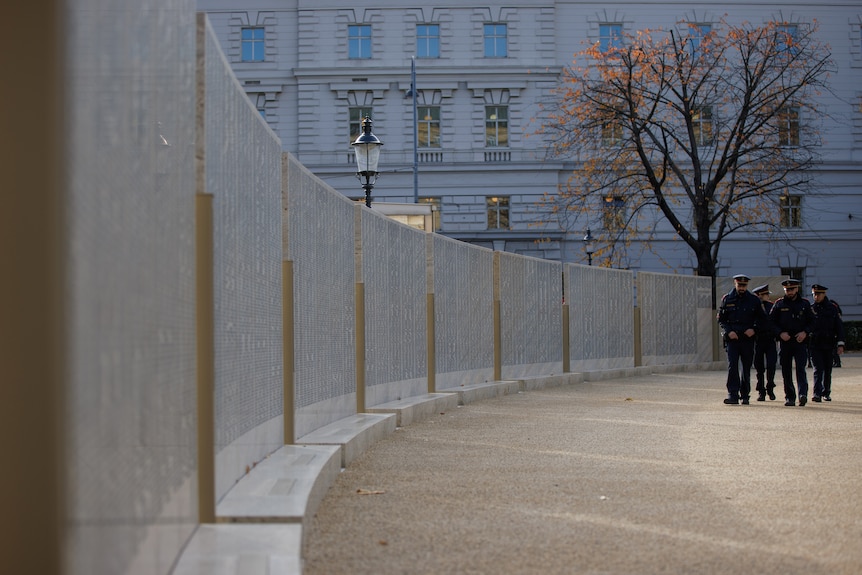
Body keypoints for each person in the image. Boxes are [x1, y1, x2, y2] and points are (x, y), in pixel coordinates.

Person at [717, 274, 766, 405]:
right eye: (740, 285)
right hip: (733, 339)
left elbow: (762, 319)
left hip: (747, 339)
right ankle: (733, 394)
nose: (742, 288)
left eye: (744, 285)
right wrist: (729, 331)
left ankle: (745, 394)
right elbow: (721, 319)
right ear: (735, 284)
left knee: (746, 367)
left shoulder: (753, 300)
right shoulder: (727, 299)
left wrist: (754, 329)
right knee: (732, 366)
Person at [769, 278, 814, 406]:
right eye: (787, 289)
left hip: (800, 342)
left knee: (801, 368)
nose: (789, 292)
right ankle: (790, 397)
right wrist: (780, 333)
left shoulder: (804, 304)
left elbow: (812, 321)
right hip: (786, 341)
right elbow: (771, 322)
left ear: (797, 289)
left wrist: (805, 332)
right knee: (786, 371)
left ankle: (802, 394)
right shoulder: (779, 304)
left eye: (792, 289)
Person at [809, 284, 845, 402]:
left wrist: (840, 344)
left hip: (829, 343)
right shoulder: (811, 308)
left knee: (828, 369)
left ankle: (826, 392)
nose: (816, 296)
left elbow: (839, 327)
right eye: (814, 294)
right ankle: (817, 393)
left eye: (818, 294)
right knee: (817, 369)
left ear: (824, 294)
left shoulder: (832, 308)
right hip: (815, 343)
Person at [751, 284, 778, 401]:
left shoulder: (772, 306)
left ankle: (770, 387)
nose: (768, 296)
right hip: (759, 339)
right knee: (759, 367)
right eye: (765, 294)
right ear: (759, 296)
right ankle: (761, 391)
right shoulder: (753, 308)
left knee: (771, 365)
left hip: (770, 339)